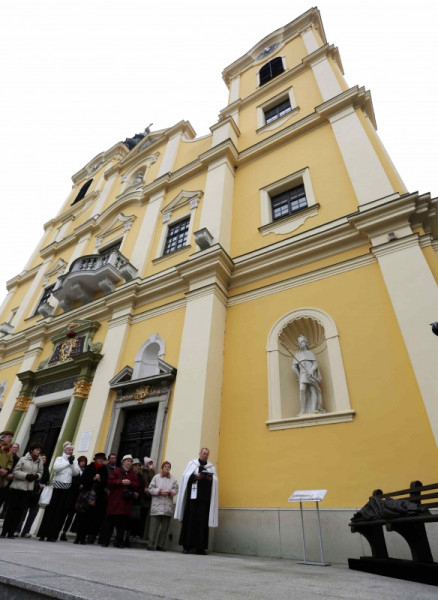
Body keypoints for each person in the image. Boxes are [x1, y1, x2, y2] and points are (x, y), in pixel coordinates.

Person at [174, 447, 218, 555]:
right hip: (192, 499)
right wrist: (194, 476)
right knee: (190, 521)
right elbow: (185, 477)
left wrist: (211, 479)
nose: (205, 455)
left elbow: (215, 480)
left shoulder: (211, 467)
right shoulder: (192, 463)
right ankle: (186, 546)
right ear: (200, 453)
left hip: (204, 500)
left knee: (202, 523)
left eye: (207, 454)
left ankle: (200, 547)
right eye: (204, 453)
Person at [38, 441, 80, 542]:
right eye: (69, 450)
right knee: (51, 510)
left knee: (60, 512)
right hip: (57, 486)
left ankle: (53, 535)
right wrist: (67, 463)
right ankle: (43, 534)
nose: (71, 451)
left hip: (66, 487)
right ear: (65, 450)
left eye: (72, 450)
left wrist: (72, 464)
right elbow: (56, 469)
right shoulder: (59, 459)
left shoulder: (74, 460)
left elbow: (76, 473)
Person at [1, 441, 43, 538]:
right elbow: (15, 472)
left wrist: (36, 476)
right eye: (36, 449)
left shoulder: (39, 461)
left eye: (39, 450)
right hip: (18, 488)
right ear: (32, 450)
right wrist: (26, 476)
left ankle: (11, 532)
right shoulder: (23, 459)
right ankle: (4, 531)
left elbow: (41, 473)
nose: (38, 451)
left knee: (20, 511)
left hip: (28, 489)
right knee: (12, 510)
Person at [100, 454, 139, 548]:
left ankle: (119, 541)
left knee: (122, 524)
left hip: (126, 502)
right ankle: (105, 541)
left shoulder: (133, 473)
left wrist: (130, 483)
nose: (129, 463)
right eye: (127, 461)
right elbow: (110, 481)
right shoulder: (117, 471)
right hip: (115, 501)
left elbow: (137, 484)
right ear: (123, 462)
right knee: (110, 522)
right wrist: (120, 482)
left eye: (130, 461)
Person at [74, 452, 108, 545]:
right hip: (86, 494)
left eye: (102, 459)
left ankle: (84, 537)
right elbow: (83, 480)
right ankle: (78, 537)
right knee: (81, 516)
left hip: (97, 496)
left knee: (90, 517)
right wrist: (93, 479)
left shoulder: (104, 469)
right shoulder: (89, 467)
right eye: (99, 458)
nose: (100, 460)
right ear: (95, 459)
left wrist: (100, 480)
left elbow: (106, 482)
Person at [147, 461, 178, 551]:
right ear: (162, 467)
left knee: (164, 528)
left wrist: (170, 492)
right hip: (157, 505)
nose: (167, 468)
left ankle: (160, 545)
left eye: (168, 467)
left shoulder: (173, 479)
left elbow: (176, 489)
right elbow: (150, 489)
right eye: (165, 466)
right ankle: (150, 544)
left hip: (167, 506)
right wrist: (159, 491)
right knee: (154, 527)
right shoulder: (156, 477)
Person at [292, 335, 324, 415]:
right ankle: (302, 409)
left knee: (313, 390)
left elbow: (315, 364)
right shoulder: (297, 354)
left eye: (302, 341)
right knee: (302, 389)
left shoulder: (310, 353)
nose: (300, 343)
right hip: (303, 374)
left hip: (311, 374)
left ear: (306, 343)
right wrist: (299, 376)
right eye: (299, 342)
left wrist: (311, 370)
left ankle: (314, 409)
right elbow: (294, 367)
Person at [19, 454, 50, 537]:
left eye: (45, 458)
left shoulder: (46, 469)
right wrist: (37, 483)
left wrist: (43, 485)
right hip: (29, 491)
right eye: (42, 458)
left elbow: (47, 480)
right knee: (23, 511)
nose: (44, 460)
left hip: (37, 494)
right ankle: (17, 530)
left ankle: (26, 531)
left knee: (33, 513)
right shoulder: (34, 466)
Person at [60, 455, 87, 541]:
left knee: (71, 515)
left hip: (78, 496)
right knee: (65, 514)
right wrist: (78, 484)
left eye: (84, 461)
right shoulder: (75, 469)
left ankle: (64, 532)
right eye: (81, 461)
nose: (83, 463)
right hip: (71, 494)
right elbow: (70, 479)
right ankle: (59, 531)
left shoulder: (85, 471)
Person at [140, 457, 155, 541]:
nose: (151, 464)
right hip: (142, 495)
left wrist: (151, 471)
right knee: (139, 515)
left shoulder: (151, 471)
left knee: (145, 516)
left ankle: (142, 534)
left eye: (151, 463)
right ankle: (135, 533)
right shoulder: (141, 471)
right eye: (149, 463)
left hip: (148, 496)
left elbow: (152, 480)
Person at [0, 431, 14, 513]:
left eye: (11, 437)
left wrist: (7, 470)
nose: (10, 439)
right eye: (9, 437)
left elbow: (10, 462)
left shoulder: (9, 451)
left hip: (2, 479)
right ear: (2, 437)